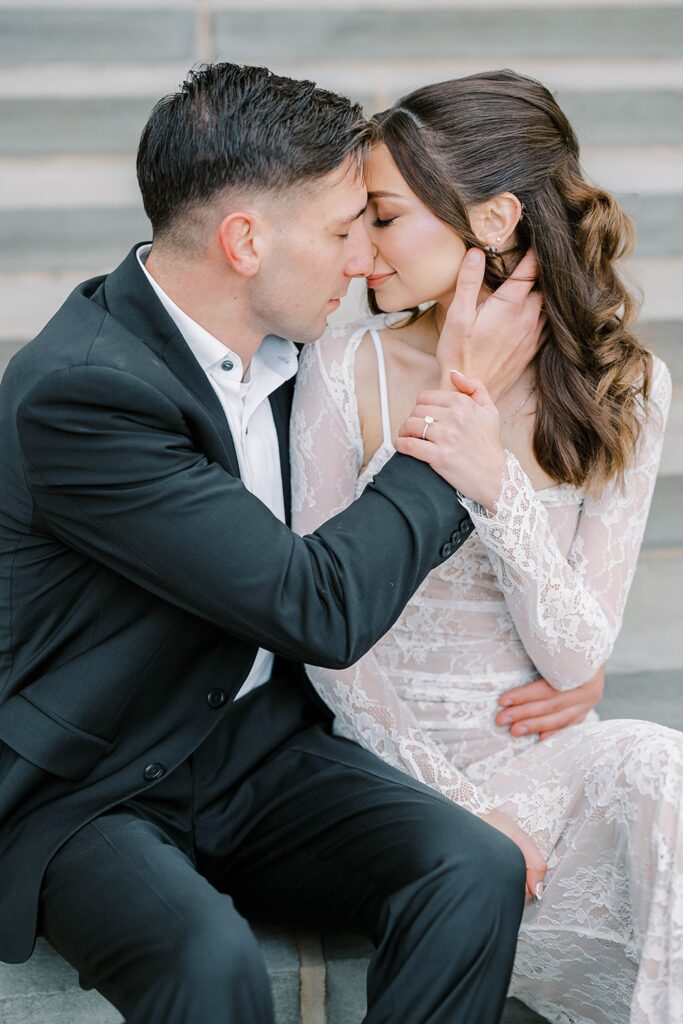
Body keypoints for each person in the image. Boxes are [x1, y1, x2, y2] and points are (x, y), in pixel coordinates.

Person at [0, 63, 550, 1024]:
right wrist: (457, 412)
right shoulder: (83, 394)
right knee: (211, 967)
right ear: (245, 241)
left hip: (261, 753)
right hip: (98, 785)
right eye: (343, 231)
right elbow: (316, 605)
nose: (360, 264)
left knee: (473, 867)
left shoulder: (299, 355)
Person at [291, 70, 677, 1024]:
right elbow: (328, 642)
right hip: (392, 773)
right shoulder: (346, 366)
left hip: (547, 763)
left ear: (496, 218)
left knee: (663, 768)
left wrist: (494, 479)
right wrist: (458, 807)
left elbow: (577, 654)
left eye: (382, 218)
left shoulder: (627, 385)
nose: (358, 254)